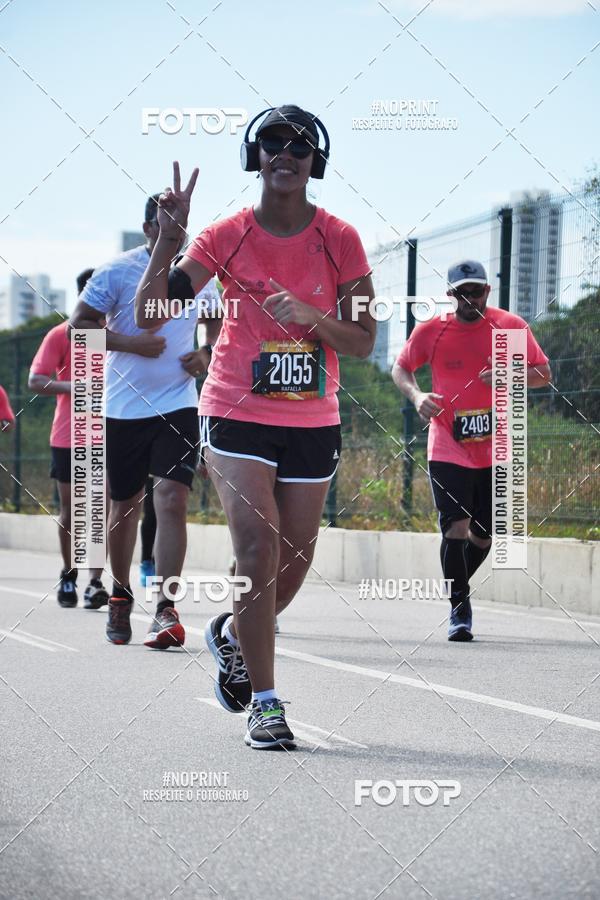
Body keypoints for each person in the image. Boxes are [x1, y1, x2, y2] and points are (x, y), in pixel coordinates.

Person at [135, 104, 376, 749]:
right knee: (257, 552)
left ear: (314, 161)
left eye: (300, 145)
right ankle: (266, 705)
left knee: (293, 565)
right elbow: (153, 312)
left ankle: (234, 637)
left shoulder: (341, 238)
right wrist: (169, 239)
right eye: (273, 142)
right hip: (236, 408)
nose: (286, 154)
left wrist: (310, 316)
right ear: (255, 155)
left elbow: (361, 342)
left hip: (312, 416)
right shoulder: (225, 234)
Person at [71, 195, 219, 648]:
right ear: (148, 228)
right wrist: (132, 345)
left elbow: (216, 321)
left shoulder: (196, 273)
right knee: (126, 506)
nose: (176, 232)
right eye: (166, 224)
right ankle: (120, 595)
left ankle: (166, 607)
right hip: (123, 408)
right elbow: (79, 326)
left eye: (182, 224)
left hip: (178, 404)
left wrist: (207, 352)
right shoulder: (116, 270)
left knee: (172, 499)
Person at [392, 259, 551, 641]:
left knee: (485, 534)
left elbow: (543, 374)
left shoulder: (511, 327)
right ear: (450, 295)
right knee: (456, 527)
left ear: (487, 291)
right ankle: (460, 609)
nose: (469, 299)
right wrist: (416, 397)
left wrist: (508, 374)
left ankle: (456, 586)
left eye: (475, 291)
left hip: (498, 444)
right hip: (448, 443)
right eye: (461, 293)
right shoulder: (433, 331)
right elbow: (401, 368)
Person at [29, 271, 110, 609]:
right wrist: (73, 388)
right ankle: (68, 573)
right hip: (68, 435)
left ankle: (94, 582)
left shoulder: (118, 336)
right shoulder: (61, 335)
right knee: (72, 510)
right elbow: (36, 380)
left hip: (109, 434)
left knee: (98, 509)